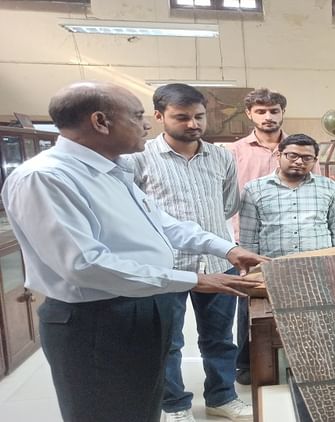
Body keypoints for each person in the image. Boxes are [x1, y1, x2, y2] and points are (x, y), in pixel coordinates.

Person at [0, 81, 268, 422]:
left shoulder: (111, 170)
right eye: (137, 115)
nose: (145, 125)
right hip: (97, 319)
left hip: (138, 303)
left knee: (139, 407)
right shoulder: (46, 178)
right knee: (107, 412)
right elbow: (84, 265)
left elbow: (164, 223)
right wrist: (193, 279)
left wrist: (227, 249)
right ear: (100, 122)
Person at [130, 83, 251, 422]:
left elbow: (228, 204)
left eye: (199, 116)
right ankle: (175, 405)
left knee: (219, 338)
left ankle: (221, 397)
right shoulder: (138, 158)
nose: (193, 124)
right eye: (182, 117)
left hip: (218, 261)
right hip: (167, 265)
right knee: (168, 341)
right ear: (159, 116)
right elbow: (134, 212)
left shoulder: (221, 156)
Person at [226, 88, 319, 383]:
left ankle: (302, 359)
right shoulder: (235, 152)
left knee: (303, 302)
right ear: (249, 114)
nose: (268, 116)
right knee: (252, 303)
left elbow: (316, 189)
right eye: (261, 111)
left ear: (282, 113)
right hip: (251, 237)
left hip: (299, 238)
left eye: (274, 111)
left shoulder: (301, 147)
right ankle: (247, 362)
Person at [239, 134, 335, 260]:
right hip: (273, 266)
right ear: (279, 155)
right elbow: (248, 241)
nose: (299, 162)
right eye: (292, 156)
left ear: (314, 161)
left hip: (320, 265)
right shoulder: (254, 189)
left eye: (307, 158)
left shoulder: (329, 187)